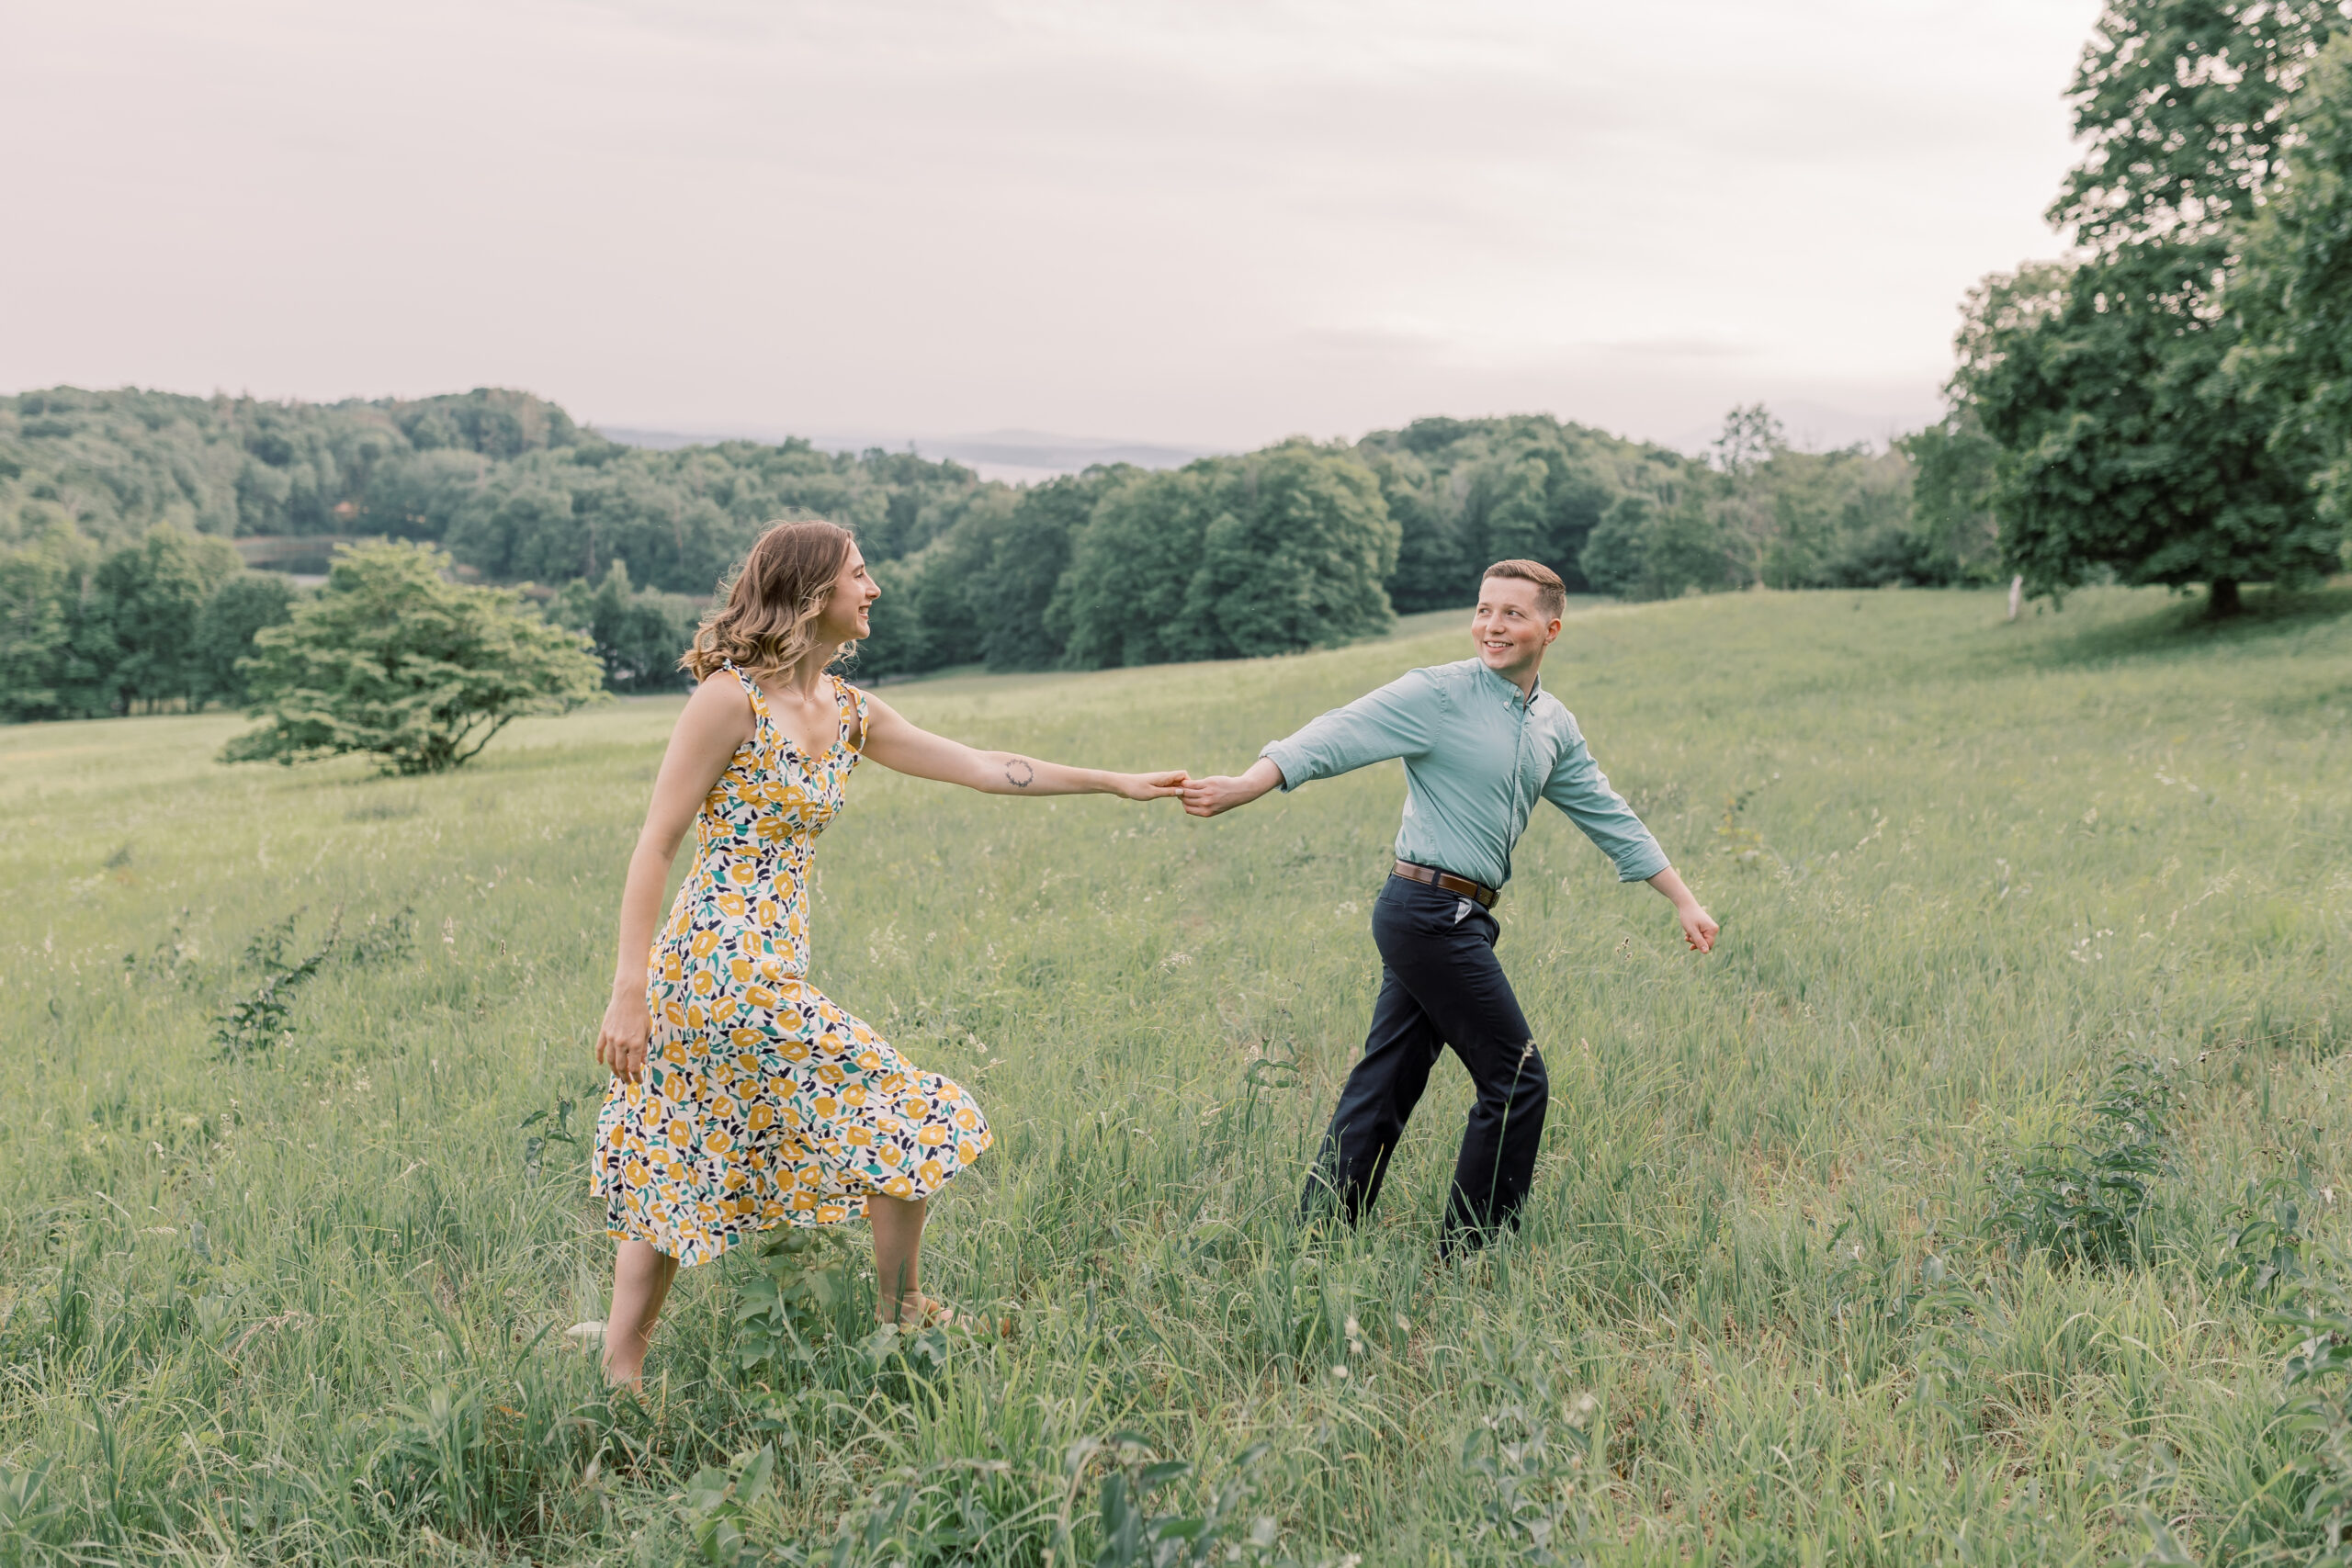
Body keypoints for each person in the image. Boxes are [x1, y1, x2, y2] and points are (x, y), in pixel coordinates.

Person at [586, 519, 1184, 1386]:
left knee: (677, 1146)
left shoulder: (850, 712)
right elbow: (656, 841)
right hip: (713, 968)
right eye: (860, 574)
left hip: (762, 969)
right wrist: (628, 988)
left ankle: (621, 1368)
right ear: (811, 591)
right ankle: (898, 1313)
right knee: (905, 1114)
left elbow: (982, 765)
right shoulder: (729, 700)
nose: (875, 589)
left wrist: (1114, 781)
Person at [1181, 559, 1716, 1255]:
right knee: (1518, 1078)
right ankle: (1471, 1254)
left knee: (1389, 1076)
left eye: (1512, 613)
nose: (1492, 625)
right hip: (1426, 912)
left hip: (1460, 917)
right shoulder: (1437, 693)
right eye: (1484, 609)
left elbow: (1605, 811)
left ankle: (1318, 1238)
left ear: (1551, 628)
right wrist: (1250, 783)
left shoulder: (1552, 722)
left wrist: (1682, 897)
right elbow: (1337, 732)